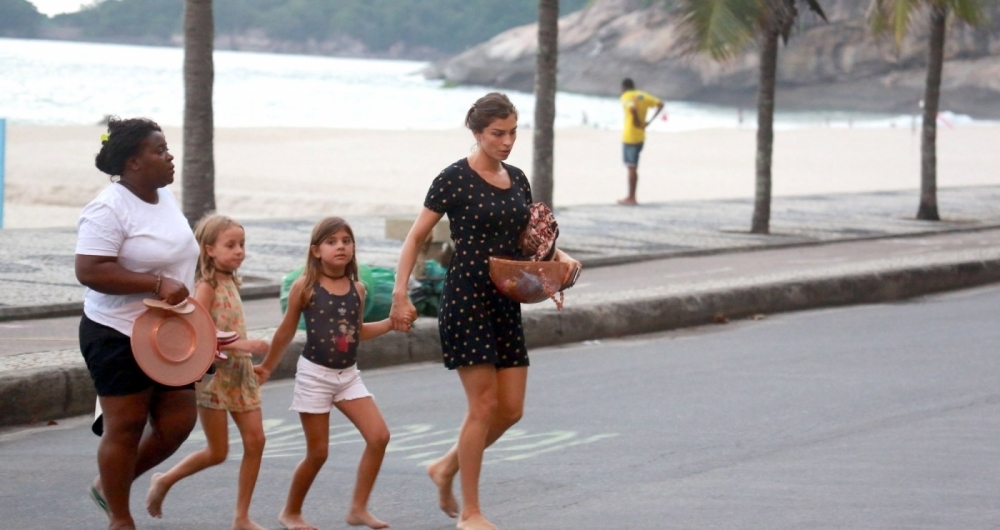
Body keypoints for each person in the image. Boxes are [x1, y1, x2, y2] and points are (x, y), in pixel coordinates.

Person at [389, 92, 581, 530]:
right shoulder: (453, 179)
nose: (507, 141)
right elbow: (416, 237)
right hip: (466, 297)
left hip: (505, 297)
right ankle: (470, 513)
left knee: (510, 410)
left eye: (513, 132)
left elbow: (528, 240)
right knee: (483, 405)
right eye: (498, 133)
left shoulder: (518, 179)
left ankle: (445, 467)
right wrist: (401, 294)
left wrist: (560, 257)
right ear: (476, 133)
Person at [75, 117, 200, 530]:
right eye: (159, 150)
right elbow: (90, 270)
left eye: (166, 148)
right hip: (116, 331)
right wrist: (156, 282)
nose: (169, 156)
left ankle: (110, 484)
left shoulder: (162, 196)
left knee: (179, 422)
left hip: (169, 332)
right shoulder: (107, 207)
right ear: (133, 163)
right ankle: (121, 518)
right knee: (125, 427)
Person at [255, 216, 396, 530]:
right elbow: (286, 331)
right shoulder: (305, 287)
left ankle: (358, 509)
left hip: (348, 376)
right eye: (332, 242)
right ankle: (290, 512)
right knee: (318, 453)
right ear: (316, 250)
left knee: (379, 436)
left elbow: (357, 331)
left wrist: (389, 323)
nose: (341, 247)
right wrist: (266, 366)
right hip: (314, 375)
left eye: (346, 241)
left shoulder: (357, 289)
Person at [144, 214, 271, 530]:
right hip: (214, 376)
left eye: (242, 244)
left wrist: (246, 361)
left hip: (240, 375)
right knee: (217, 452)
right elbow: (199, 330)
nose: (239, 251)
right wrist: (244, 345)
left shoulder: (231, 280)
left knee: (256, 441)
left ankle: (241, 517)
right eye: (231, 245)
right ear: (209, 249)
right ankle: (165, 480)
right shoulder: (206, 285)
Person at [618, 78, 664, 205]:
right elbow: (660, 104)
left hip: (630, 136)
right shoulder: (642, 95)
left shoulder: (626, 96)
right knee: (634, 166)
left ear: (623, 88)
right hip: (641, 136)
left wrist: (638, 122)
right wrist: (649, 121)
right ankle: (631, 196)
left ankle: (631, 197)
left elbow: (632, 109)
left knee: (631, 167)